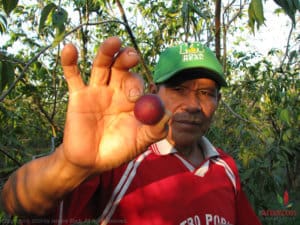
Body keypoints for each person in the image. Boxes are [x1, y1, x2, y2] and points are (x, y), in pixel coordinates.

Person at [1, 36, 262, 225]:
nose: (193, 105)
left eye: (206, 93)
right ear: (152, 92)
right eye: (178, 90)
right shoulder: (120, 161)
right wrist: (70, 165)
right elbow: (14, 202)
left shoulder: (224, 166)